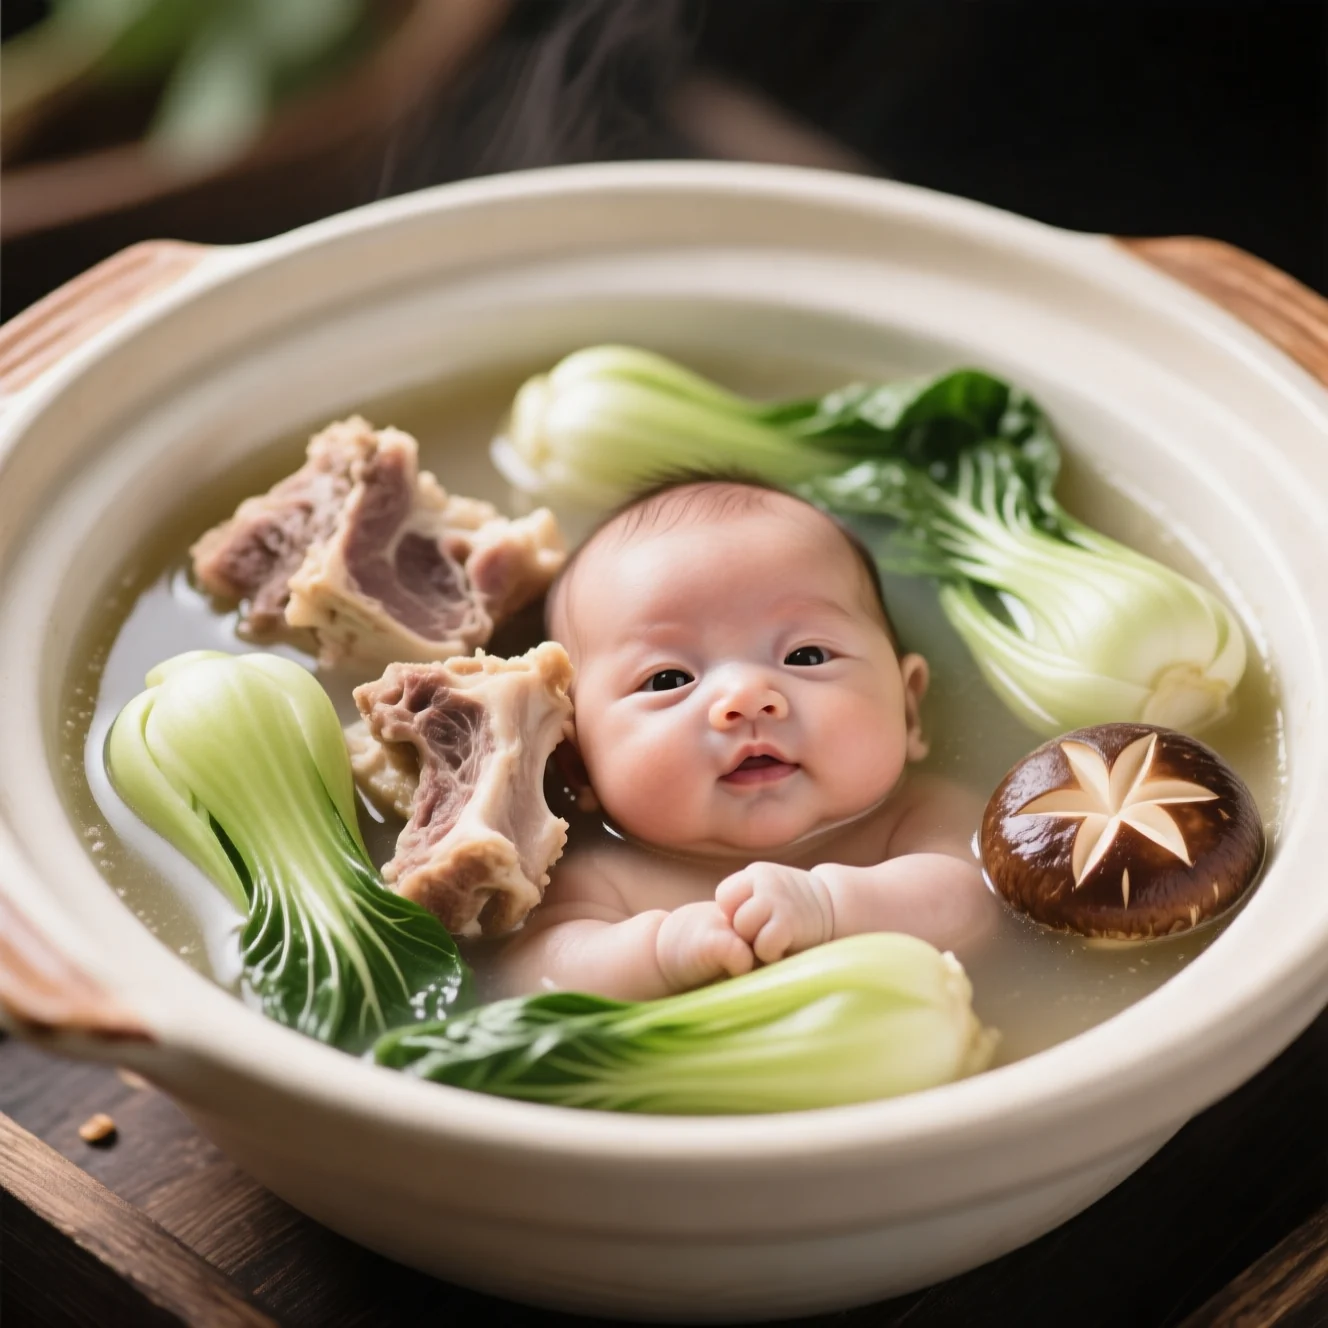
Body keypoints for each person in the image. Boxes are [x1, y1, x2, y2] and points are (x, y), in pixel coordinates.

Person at [494, 475, 998, 999]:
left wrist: (829, 905)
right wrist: (662, 951)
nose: (747, 697)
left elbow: (973, 904)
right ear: (579, 765)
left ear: (908, 710)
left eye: (806, 656)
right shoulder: (604, 877)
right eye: (668, 679)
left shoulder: (918, 819)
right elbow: (538, 972)